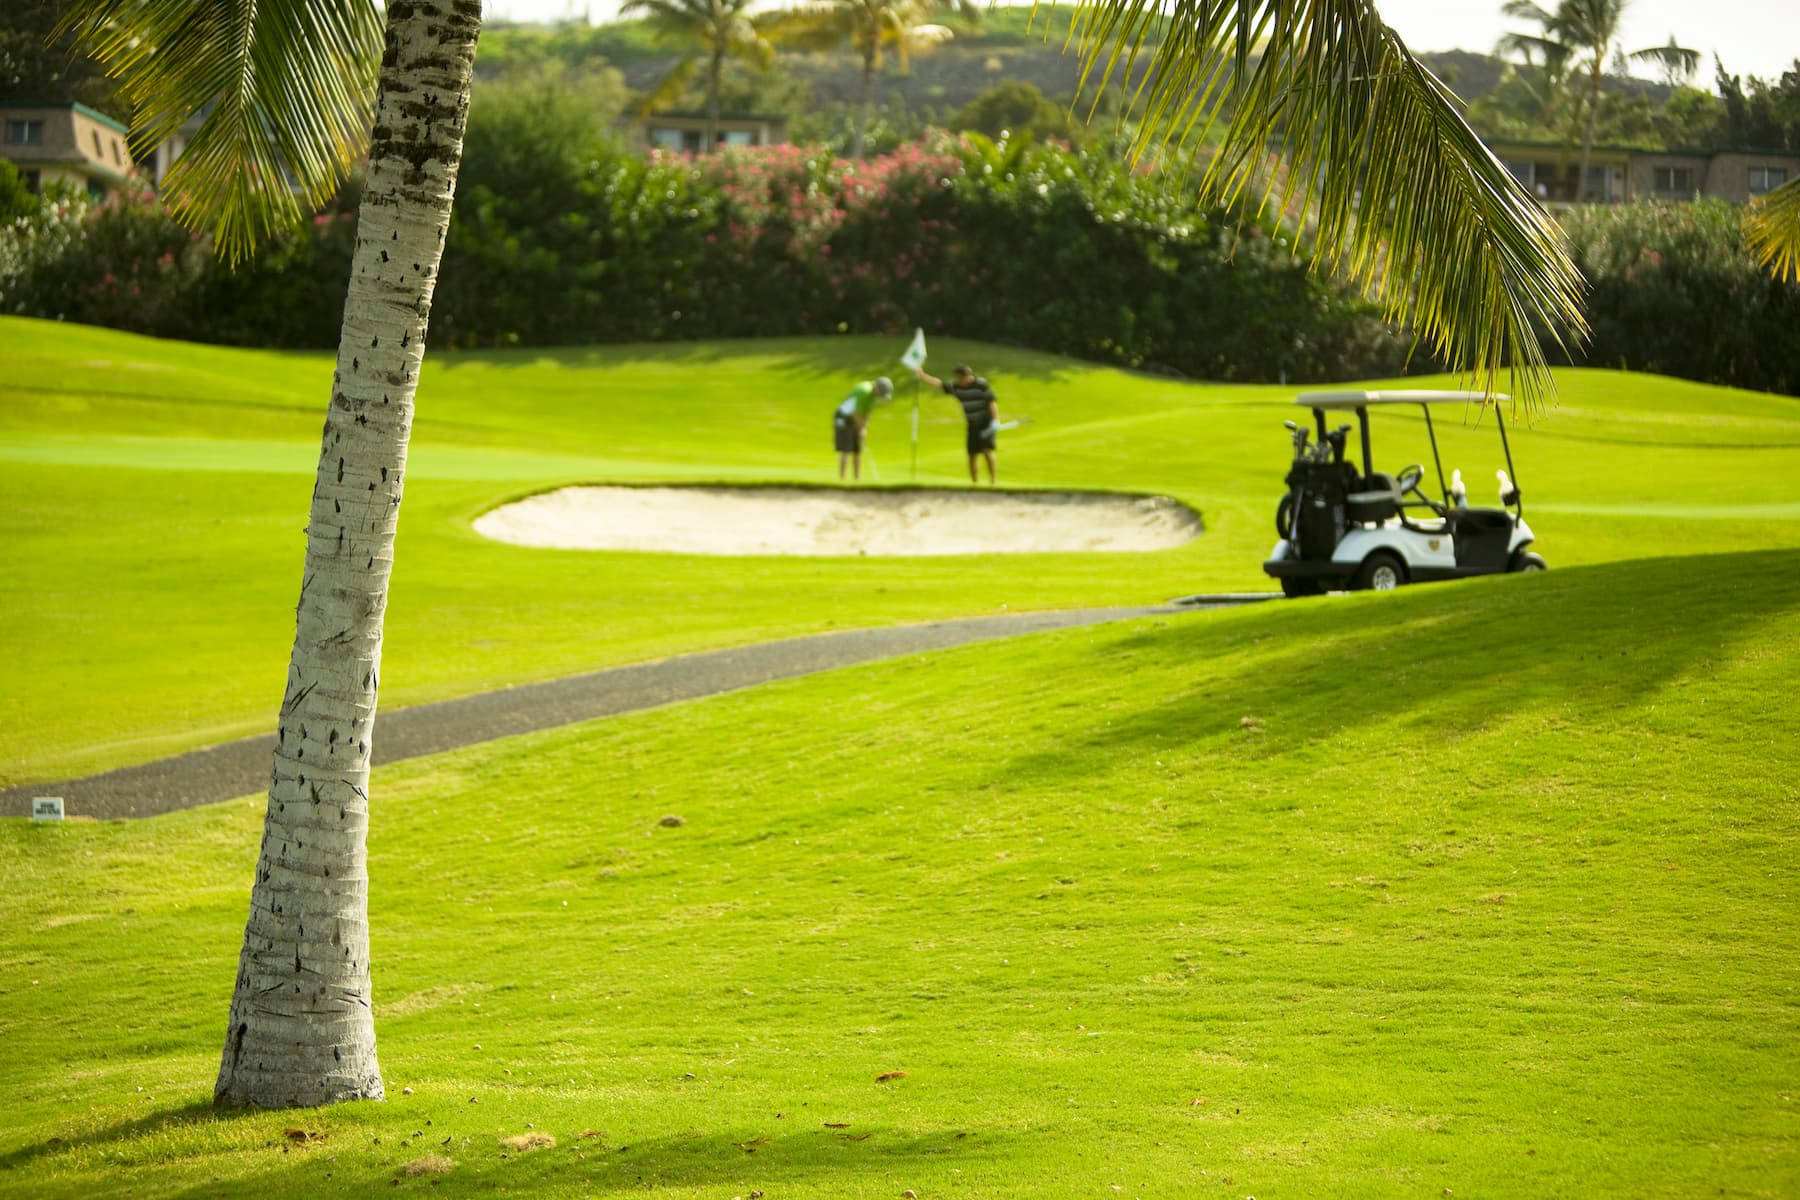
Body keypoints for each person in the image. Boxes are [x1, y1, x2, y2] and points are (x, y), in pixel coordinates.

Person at [916, 363, 999, 484]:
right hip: (972, 424)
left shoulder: (981, 385)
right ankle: (974, 482)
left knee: (987, 451)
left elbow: (991, 402)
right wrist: (922, 376)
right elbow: (939, 384)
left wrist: (995, 420)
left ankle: (993, 481)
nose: (956, 380)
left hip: (985, 423)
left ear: (965, 376)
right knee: (972, 454)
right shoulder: (956, 387)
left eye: (958, 377)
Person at [834, 376, 892, 481]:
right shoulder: (863, 390)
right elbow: (855, 413)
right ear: (877, 388)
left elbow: (867, 415)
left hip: (856, 419)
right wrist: (861, 428)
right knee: (846, 448)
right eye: (881, 393)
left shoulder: (873, 398)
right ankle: (842, 479)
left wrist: (864, 429)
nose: (880, 396)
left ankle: (857, 478)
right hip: (843, 416)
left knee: (857, 449)